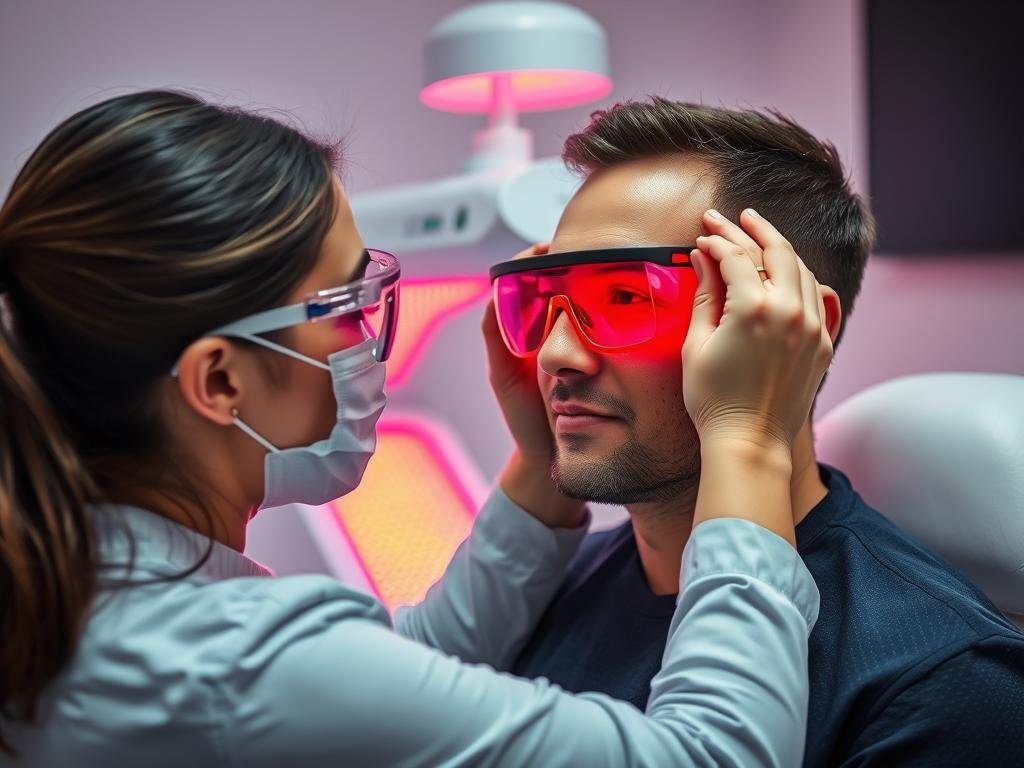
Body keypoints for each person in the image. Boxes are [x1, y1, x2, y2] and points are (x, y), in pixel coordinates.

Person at [0, 90, 829, 767]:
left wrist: (538, 466)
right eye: (347, 308)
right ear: (220, 380)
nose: (368, 340)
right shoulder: (235, 662)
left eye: (620, 300)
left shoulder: (73, 580)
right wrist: (747, 440)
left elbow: (398, 688)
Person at [501, 98, 1024, 767]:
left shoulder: (942, 686)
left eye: (627, 297)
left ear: (795, 324)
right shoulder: (539, 595)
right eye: (547, 301)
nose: (553, 355)